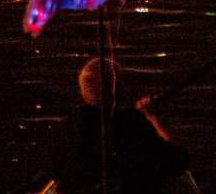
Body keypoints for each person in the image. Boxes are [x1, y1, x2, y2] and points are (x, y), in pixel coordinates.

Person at [56, 59, 198, 194]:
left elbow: (54, 171)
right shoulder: (132, 124)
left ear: (84, 92)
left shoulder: (69, 126)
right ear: (119, 89)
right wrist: (151, 117)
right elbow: (178, 161)